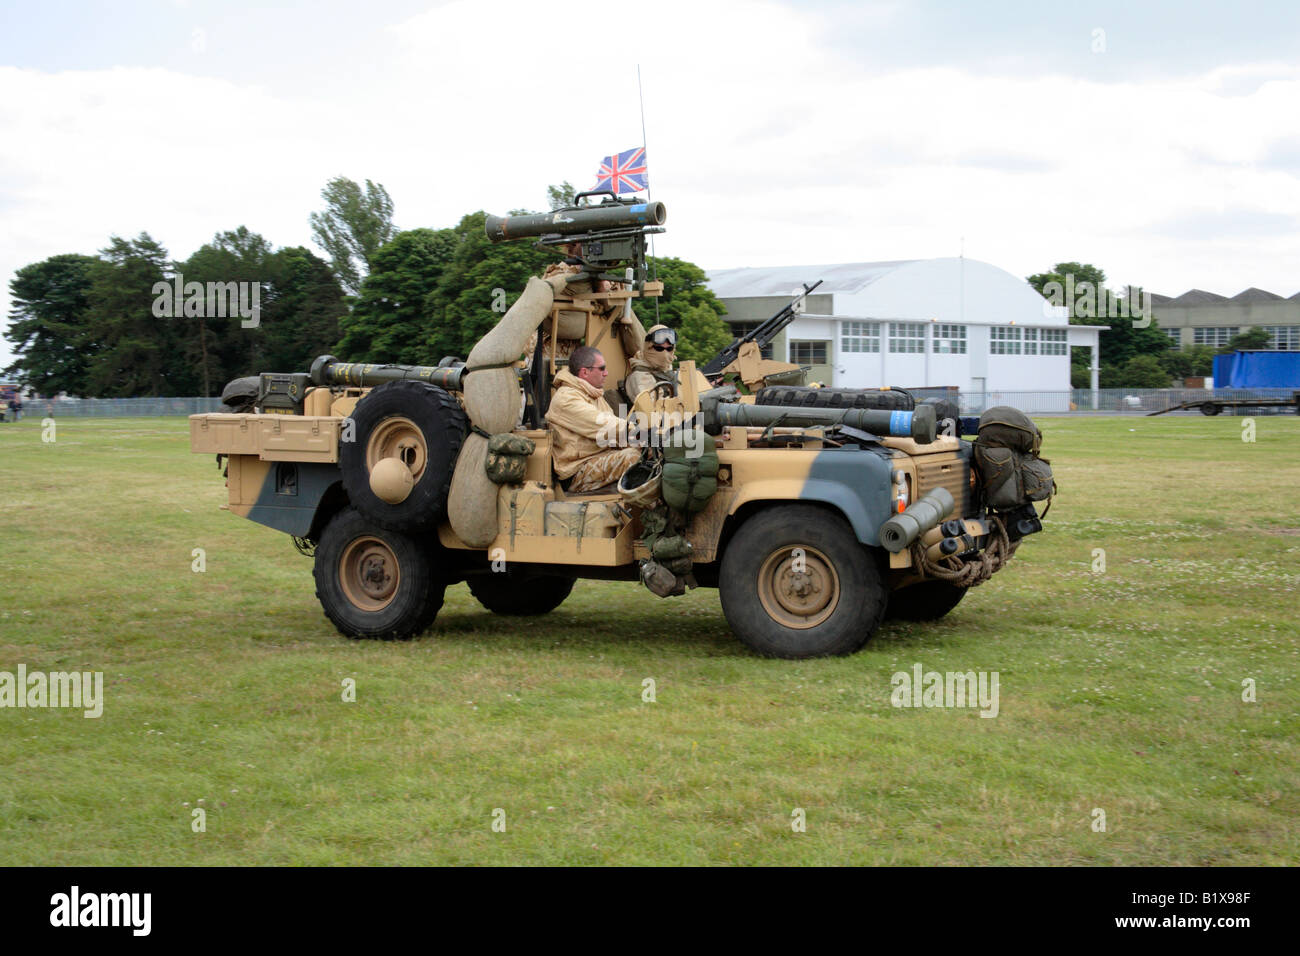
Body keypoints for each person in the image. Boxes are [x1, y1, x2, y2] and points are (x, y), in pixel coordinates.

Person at [546, 346, 642, 493]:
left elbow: (614, 434)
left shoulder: (592, 394)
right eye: (602, 368)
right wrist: (639, 432)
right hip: (576, 470)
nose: (606, 373)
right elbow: (605, 426)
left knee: (649, 455)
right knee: (633, 458)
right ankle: (649, 512)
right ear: (585, 372)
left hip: (598, 457)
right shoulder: (566, 399)